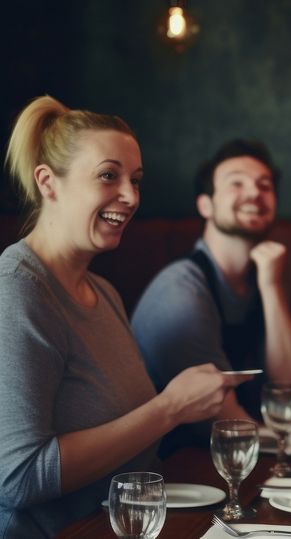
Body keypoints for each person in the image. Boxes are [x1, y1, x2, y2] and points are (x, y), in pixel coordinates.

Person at [0, 96, 246, 538]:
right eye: (108, 176)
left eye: (135, 180)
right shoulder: (18, 290)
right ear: (48, 183)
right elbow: (18, 478)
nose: (131, 197)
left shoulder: (104, 293)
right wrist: (170, 408)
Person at [131, 139, 291, 454]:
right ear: (206, 205)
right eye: (236, 183)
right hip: (179, 464)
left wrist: (272, 287)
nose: (255, 193)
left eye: (264, 185)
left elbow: (288, 384)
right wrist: (290, 446)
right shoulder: (180, 291)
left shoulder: (266, 276)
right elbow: (221, 420)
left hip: (233, 452)